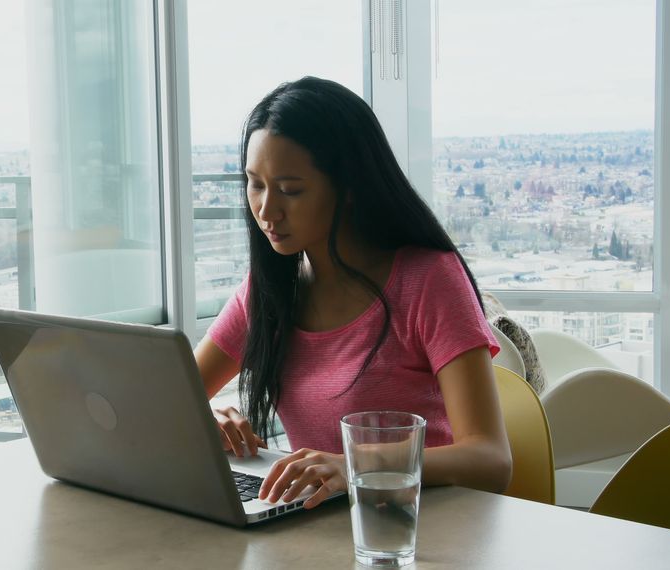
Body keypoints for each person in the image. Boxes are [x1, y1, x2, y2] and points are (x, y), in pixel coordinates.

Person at [195, 76, 512, 510]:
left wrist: (355, 464)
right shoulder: (269, 290)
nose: (267, 210)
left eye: (290, 190)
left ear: (348, 188)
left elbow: (491, 459)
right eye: (255, 184)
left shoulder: (429, 278)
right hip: (316, 523)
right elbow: (173, 395)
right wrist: (201, 417)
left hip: (420, 527)